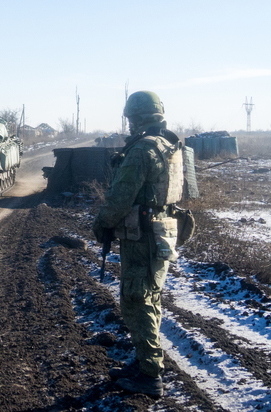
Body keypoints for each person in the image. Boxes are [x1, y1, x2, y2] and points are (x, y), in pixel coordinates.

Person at [92, 91, 184, 398]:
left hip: (142, 238)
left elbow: (119, 198)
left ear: (138, 118)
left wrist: (102, 223)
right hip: (161, 233)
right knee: (150, 298)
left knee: (136, 300)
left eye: (131, 118)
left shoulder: (142, 150)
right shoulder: (169, 144)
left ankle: (150, 376)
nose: (129, 124)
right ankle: (147, 363)